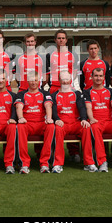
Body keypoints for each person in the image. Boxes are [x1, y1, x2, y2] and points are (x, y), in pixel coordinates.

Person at [51, 71, 101, 173]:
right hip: (62, 123)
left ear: (71, 80)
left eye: (67, 79)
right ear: (59, 80)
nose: (65, 82)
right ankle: (58, 164)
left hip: (75, 123)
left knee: (86, 127)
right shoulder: (54, 95)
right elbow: (53, 109)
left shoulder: (77, 94)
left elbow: (82, 107)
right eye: (63, 79)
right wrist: (57, 119)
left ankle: (89, 163)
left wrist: (83, 119)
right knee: (57, 130)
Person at [45, 29, 80, 161]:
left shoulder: (72, 55)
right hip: (54, 88)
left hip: (68, 89)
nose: (61, 40)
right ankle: (53, 150)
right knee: (54, 120)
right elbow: (47, 75)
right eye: (58, 38)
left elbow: (75, 72)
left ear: (66, 40)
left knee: (71, 118)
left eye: (63, 38)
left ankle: (74, 152)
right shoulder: (50, 56)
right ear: (55, 40)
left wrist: (69, 84)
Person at [15, 71, 55, 174]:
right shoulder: (22, 94)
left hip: (41, 123)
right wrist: (21, 117)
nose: (33, 82)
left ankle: (44, 163)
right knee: (20, 126)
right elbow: (19, 106)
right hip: (28, 123)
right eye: (32, 80)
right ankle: (24, 164)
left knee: (51, 126)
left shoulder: (45, 93)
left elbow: (48, 106)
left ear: (39, 81)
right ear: (28, 81)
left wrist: (49, 118)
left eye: (36, 80)